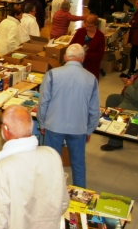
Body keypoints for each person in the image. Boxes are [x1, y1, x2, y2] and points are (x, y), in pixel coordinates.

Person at [0, 106, 68, 229]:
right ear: (31, 126)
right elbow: (63, 202)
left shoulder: (1, 169)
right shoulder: (52, 155)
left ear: (5, 129)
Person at [37, 43, 99, 188]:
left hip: (54, 125)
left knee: (52, 162)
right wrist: (89, 129)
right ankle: (79, 196)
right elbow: (94, 110)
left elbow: (43, 102)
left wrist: (42, 123)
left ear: (65, 57)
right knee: (78, 163)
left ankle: (51, 192)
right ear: (82, 58)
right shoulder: (91, 79)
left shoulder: (52, 74)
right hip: (79, 128)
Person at [69, 14, 105, 79]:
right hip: (77, 64)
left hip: (91, 67)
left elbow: (100, 55)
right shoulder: (80, 31)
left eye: (90, 26)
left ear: (95, 25)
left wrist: (86, 54)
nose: (88, 28)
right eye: (86, 26)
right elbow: (71, 45)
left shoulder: (100, 36)